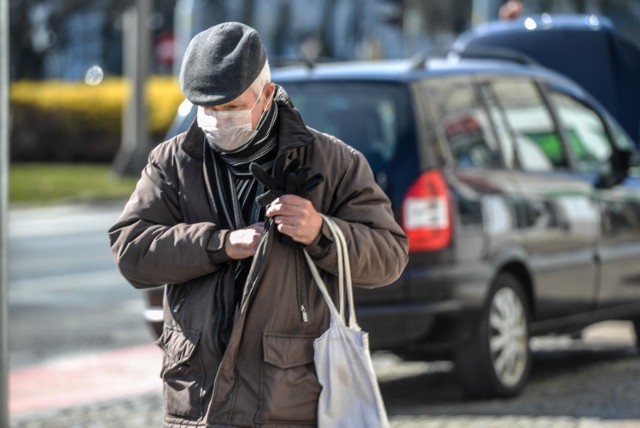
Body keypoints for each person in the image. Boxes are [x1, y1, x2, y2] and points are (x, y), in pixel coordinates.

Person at [108, 21, 408, 427]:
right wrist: (221, 244)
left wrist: (321, 231)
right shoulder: (172, 162)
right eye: (206, 108)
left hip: (291, 401)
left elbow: (389, 255)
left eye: (230, 107)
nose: (216, 119)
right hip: (198, 399)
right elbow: (131, 250)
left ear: (266, 95)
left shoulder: (333, 161)